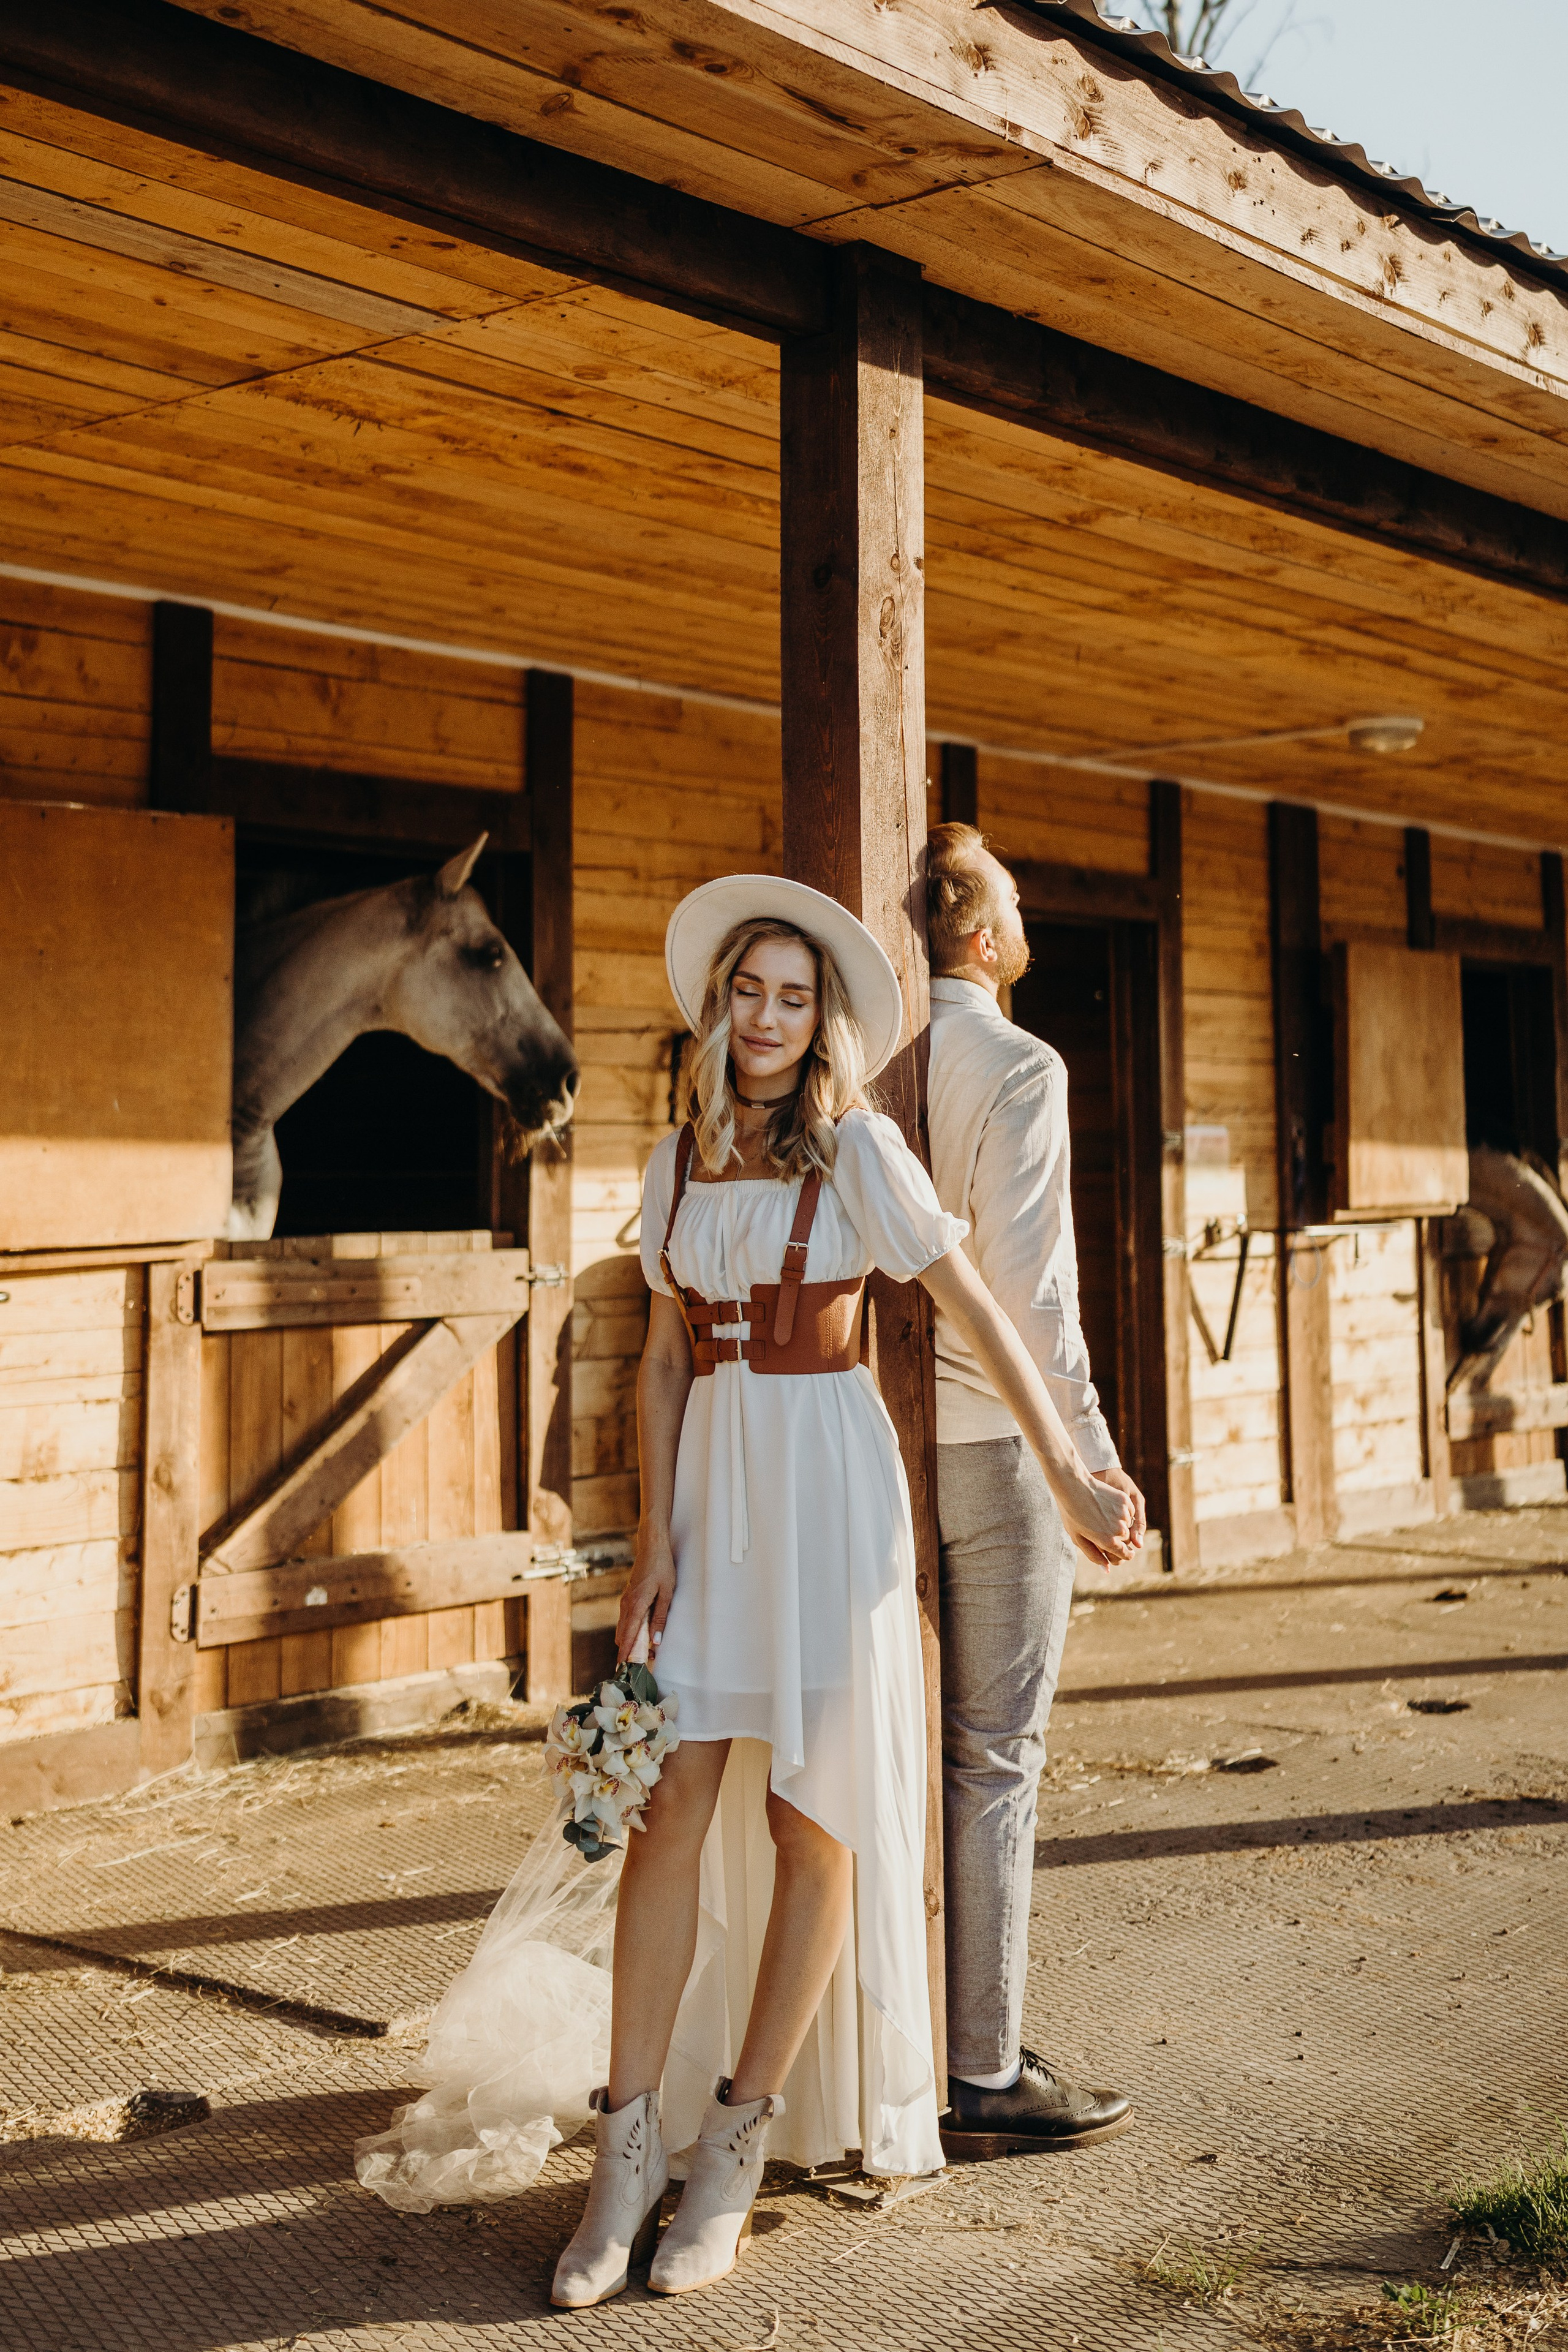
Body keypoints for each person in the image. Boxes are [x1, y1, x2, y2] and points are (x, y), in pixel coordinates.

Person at [356, 873, 1136, 2305]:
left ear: (818, 1018)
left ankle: (731, 2149)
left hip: (830, 1497)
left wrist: (1071, 1470)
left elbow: (977, 1309)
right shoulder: (674, 1161)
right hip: (711, 1506)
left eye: (793, 997)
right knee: (664, 1815)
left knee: (810, 1820)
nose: (768, 1017)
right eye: (748, 992)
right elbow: (665, 1357)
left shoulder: (863, 1154)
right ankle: (622, 2158)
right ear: (717, 1008)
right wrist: (650, 1539)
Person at [924, 821, 1147, 2159]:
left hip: (894, 1442)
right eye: (1009, 895)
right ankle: (987, 2067)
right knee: (996, 1755)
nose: (1023, 911)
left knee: (911, 1745)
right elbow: (1032, 1288)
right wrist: (1088, 1457)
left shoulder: (881, 1058)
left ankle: (926, 2039)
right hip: (1003, 1447)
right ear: (977, 931)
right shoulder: (1018, 1062)